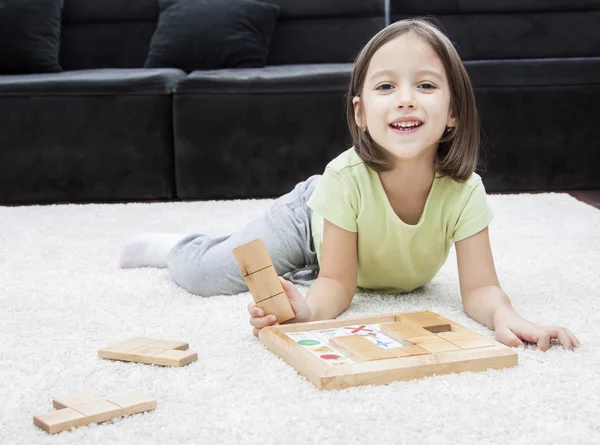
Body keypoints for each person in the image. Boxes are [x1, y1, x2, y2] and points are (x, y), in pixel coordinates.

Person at [120, 18, 580, 352]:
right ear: (361, 114)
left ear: (454, 112)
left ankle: (287, 279)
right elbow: (338, 281)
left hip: (347, 254)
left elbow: (480, 290)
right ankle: (175, 246)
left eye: (425, 85)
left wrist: (508, 317)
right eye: (385, 87)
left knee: (293, 287)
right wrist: (312, 314)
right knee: (211, 275)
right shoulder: (345, 176)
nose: (404, 100)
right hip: (308, 220)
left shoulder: (464, 192)